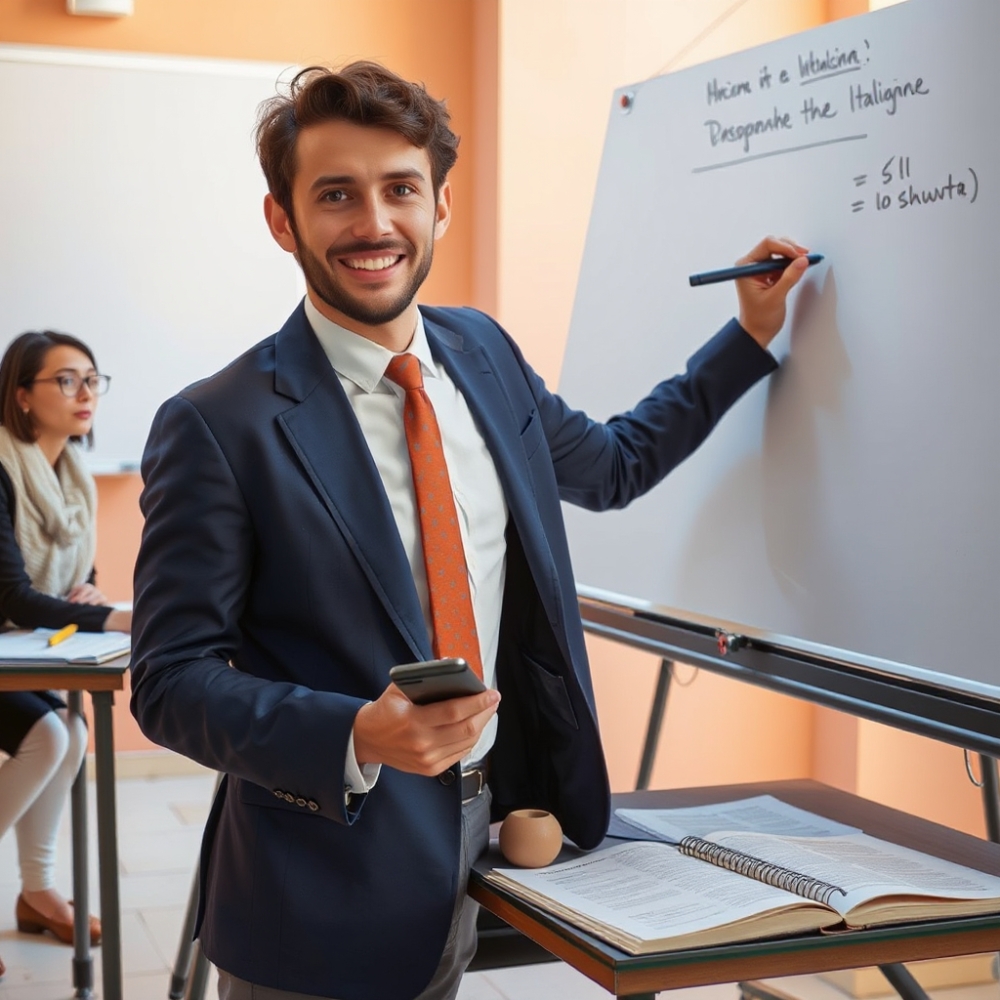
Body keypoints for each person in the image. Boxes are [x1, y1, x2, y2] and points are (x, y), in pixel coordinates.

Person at [129, 61, 810, 1000]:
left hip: (490, 833)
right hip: (320, 881)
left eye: (400, 189)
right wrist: (358, 734)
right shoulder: (219, 422)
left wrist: (747, 340)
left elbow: (612, 466)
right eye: (336, 195)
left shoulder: (482, 353)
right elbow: (169, 683)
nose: (373, 223)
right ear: (282, 220)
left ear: (440, 205)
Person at [0, 331, 131, 968]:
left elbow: (70, 581)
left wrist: (90, 595)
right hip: (10, 640)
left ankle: (37, 893)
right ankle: (38, 890)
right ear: (22, 396)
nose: (85, 394)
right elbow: (17, 597)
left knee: (73, 733)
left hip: (19, 649)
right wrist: (114, 616)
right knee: (51, 736)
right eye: (66, 380)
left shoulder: (71, 476)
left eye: (92, 378)